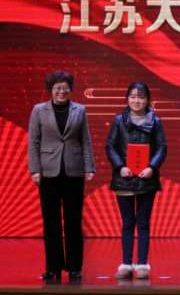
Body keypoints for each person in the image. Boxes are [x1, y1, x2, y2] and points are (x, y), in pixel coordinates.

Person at [27, 71, 96, 280]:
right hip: (48, 172)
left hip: (74, 171)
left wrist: (89, 167)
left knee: (73, 221)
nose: (61, 91)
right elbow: (33, 141)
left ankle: (75, 267)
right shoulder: (39, 110)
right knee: (51, 221)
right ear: (51, 89)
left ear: (70, 89)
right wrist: (35, 169)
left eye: (65, 87)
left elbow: (85, 140)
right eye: (57, 87)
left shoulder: (79, 110)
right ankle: (53, 267)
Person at [105, 82, 168, 280]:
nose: (136, 100)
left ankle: (141, 264)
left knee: (143, 223)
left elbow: (162, 147)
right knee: (127, 223)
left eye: (141, 97)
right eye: (132, 96)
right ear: (127, 98)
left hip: (146, 179)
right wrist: (120, 167)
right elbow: (110, 146)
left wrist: (152, 168)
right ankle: (126, 264)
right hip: (123, 179)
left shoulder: (155, 122)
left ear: (148, 100)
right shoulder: (118, 121)